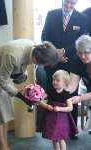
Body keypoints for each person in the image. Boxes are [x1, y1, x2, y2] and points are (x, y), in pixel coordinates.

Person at [0, 39, 66, 150]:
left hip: (0, 73)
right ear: (37, 60)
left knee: (4, 110)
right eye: (44, 64)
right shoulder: (13, 55)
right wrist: (22, 97)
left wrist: (21, 76)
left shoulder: (34, 48)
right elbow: (3, 81)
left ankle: (3, 145)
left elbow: (21, 66)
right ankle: (3, 147)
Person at [36, 0, 88, 138]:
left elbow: (81, 40)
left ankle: (71, 130)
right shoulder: (51, 14)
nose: (69, 6)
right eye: (67, 2)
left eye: (73, 3)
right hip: (52, 62)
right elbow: (44, 36)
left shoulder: (83, 18)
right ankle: (50, 126)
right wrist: (55, 53)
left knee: (70, 94)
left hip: (72, 63)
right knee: (52, 92)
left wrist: (63, 52)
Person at [39, 70, 78, 150]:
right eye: (53, 80)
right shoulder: (49, 92)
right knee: (54, 137)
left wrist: (60, 108)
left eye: (57, 80)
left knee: (61, 138)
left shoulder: (66, 94)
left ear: (64, 83)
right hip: (51, 118)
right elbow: (39, 101)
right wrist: (46, 106)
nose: (54, 82)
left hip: (61, 119)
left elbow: (70, 108)